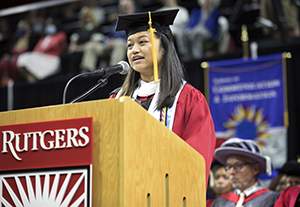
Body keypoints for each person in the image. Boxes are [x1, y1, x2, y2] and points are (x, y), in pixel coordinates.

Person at [110, 9, 216, 184]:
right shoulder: (117, 100)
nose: (134, 50)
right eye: (129, 45)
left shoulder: (189, 99)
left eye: (142, 42)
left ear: (164, 47)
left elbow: (197, 158)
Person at [211, 138, 279, 207]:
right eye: (228, 167)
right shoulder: (220, 202)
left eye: (237, 166)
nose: (231, 172)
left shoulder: (272, 200)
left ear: (255, 169)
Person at [80, 0, 136, 71]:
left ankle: (113, 71)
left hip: (125, 44)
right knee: (91, 46)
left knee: (119, 44)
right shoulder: (117, 21)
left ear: (132, 7)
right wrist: (108, 41)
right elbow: (110, 34)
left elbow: (133, 37)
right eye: (121, 7)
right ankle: (87, 73)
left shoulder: (135, 21)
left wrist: (115, 41)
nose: (123, 9)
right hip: (110, 45)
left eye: (126, 7)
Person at [17, 17, 67, 83]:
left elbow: (56, 45)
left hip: (53, 59)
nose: (49, 26)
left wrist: (44, 49)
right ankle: (33, 81)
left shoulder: (60, 35)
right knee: (23, 58)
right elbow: (36, 50)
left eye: (51, 24)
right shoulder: (44, 39)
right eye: (48, 24)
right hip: (42, 59)